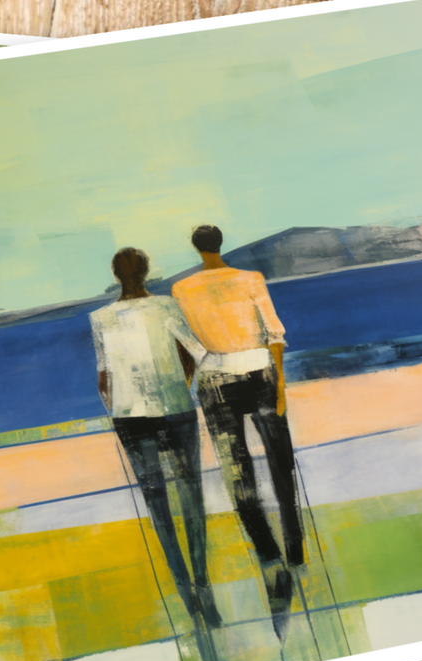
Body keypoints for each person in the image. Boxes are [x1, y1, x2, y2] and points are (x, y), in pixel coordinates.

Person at [172, 225, 304, 622]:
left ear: (196, 248)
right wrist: (280, 384)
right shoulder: (250, 279)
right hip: (260, 372)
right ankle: (295, 549)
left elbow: (187, 347)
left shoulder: (182, 289)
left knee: (237, 474)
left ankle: (269, 555)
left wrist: (186, 386)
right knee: (282, 464)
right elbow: (274, 333)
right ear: (220, 244)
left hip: (214, 381)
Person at [89, 247, 220, 628]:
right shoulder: (166, 307)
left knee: (158, 505)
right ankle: (203, 582)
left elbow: (104, 378)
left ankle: (184, 591)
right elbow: (195, 351)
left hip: (129, 416)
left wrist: (118, 406)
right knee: (191, 498)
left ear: (116, 275)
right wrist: (181, 386)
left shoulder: (100, 318)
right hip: (175, 408)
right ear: (147, 271)